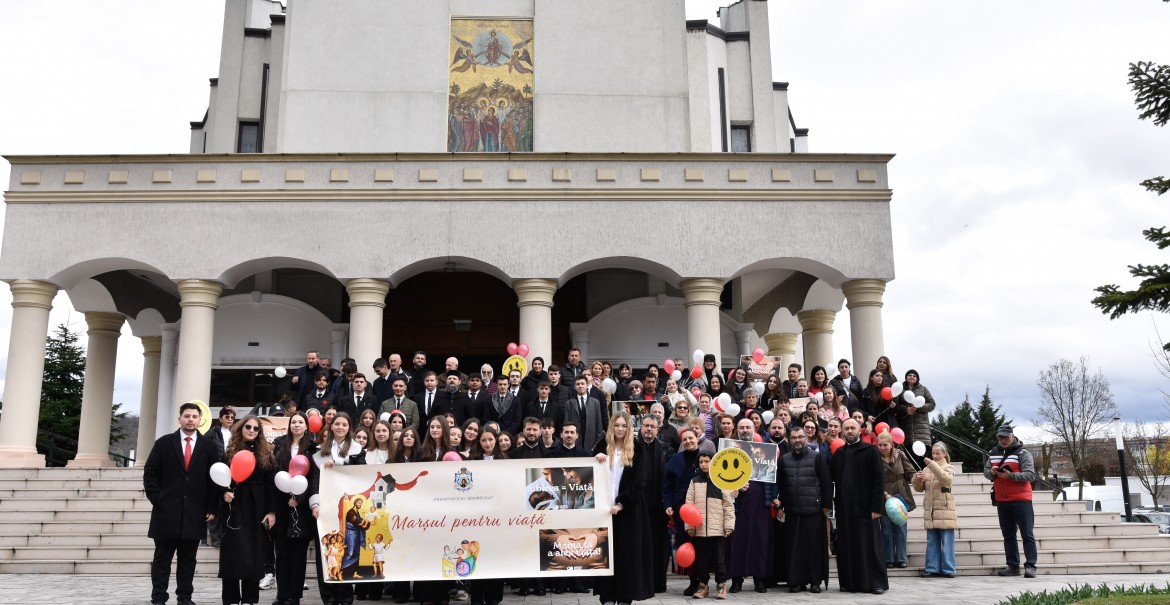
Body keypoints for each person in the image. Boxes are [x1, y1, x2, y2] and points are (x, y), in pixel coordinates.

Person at [144, 402, 219, 605]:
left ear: (200, 420)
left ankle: (184, 597)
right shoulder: (163, 443)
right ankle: (159, 597)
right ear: (179, 419)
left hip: (195, 512)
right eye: (187, 416)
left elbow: (214, 479)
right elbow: (150, 473)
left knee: (188, 560)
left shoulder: (208, 446)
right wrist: (157, 498)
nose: (190, 420)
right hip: (166, 512)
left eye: (194, 416)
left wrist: (211, 507)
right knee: (162, 558)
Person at [591, 411, 653, 605]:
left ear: (629, 428)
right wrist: (595, 460)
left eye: (624, 426)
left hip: (629, 510)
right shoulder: (601, 446)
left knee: (627, 555)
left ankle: (625, 597)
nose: (620, 429)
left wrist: (622, 503)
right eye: (616, 425)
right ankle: (607, 596)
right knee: (605, 555)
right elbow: (588, 474)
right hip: (604, 512)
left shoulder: (638, 449)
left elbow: (639, 482)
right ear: (611, 426)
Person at [218, 415, 277, 605]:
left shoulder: (266, 453)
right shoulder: (229, 452)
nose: (252, 430)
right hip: (234, 507)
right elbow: (220, 478)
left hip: (257, 507)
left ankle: (250, 599)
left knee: (254, 554)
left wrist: (271, 511)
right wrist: (224, 493)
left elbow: (271, 485)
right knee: (232, 553)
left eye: (256, 428)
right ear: (241, 428)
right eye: (248, 427)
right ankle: (231, 599)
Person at [310, 412, 366, 605]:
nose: (340, 427)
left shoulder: (358, 451)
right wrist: (315, 504)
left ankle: (345, 596)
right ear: (331, 426)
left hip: (347, 509)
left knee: (346, 550)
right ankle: (328, 597)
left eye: (344, 424)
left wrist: (340, 464)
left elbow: (361, 475)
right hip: (325, 508)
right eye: (337, 424)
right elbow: (314, 479)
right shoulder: (319, 451)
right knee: (325, 552)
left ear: (349, 428)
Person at [830, 419, 888, 595]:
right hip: (845, 509)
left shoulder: (871, 451)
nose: (849, 431)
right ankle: (849, 582)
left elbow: (879, 480)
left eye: (852, 428)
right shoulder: (839, 454)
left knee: (870, 546)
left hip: (866, 508)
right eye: (846, 428)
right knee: (848, 545)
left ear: (859, 430)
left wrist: (877, 507)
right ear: (842, 431)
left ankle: (875, 582)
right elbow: (831, 479)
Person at [776, 424, 832, 593]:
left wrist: (826, 506)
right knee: (794, 549)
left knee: (814, 549)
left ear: (806, 438)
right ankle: (796, 581)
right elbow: (782, 485)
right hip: (793, 511)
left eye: (800, 437)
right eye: (794, 438)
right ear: (789, 440)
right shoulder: (784, 459)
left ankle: (815, 582)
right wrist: (781, 505)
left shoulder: (817, 457)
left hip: (813, 510)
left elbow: (826, 483)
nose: (797, 440)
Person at [272, 411, 319, 605]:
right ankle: (281, 594)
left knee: (298, 555)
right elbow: (275, 473)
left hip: (302, 509)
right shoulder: (279, 445)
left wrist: (300, 498)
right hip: (282, 506)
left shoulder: (313, 448)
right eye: (294, 422)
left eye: (300, 422)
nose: (297, 425)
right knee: (282, 554)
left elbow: (314, 477)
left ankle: (294, 596)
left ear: (306, 426)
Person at [727, 418, 776, 594]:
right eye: (742, 427)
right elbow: (721, 477)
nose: (745, 430)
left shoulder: (765, 451)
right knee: (737, 543)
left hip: (760, 503)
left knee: (760, 541)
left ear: (754, 429)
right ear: (737, 430)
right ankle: (736, 580)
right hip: (737, 504)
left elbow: (772, 479)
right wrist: (735, 485)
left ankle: (759, 580)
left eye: (748, 427)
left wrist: (774, 498)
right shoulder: (729, 450)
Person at [985, 425, 1037, 579]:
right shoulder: (993, 453)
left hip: (1022, 500)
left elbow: (1030, 475)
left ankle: (1031, 566)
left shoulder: (1023, 453)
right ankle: (1013, 566)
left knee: (1027, 534)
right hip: (1002, 500)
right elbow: (986, 472)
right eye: (1000, 437)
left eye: (1006, 437)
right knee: (1008, 535)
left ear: (1012, 436)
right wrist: (992, 473)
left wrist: (1011, 476)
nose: (1003, 440)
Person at [684, 450, 736, 600]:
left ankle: (721, 585)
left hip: (717, 528)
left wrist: (729, 525)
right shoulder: (694, 481)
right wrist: (690, 526)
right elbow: (689, 505)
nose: (703, 464)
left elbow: (728, 505)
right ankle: (703, 585)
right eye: (701, 462)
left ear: (713, 462)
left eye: (706, 461)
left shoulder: (721, 480)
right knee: (702, 559)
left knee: (719, 559)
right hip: (700, 529)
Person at [663, 427, 703, 595]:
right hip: (681, 507)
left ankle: (703, 581)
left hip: (702, 506)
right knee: (685, 541)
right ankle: (693, 581)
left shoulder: (706, 458)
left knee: (702, 543)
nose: (688, 441)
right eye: (684, 439)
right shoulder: (674, 459)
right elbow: (667, 486)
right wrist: (668, 504)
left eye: (691, 438)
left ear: (697, 438)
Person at [914, 442, 958, 578]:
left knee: (947, 541)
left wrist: (932, 465)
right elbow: (919, 489)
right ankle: (932, 568)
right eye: (933, 453)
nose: (935, 455)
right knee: (932, 541)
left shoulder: (949, 467)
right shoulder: (927, 469)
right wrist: (917, 479)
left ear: (944, 454)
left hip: (945, 508)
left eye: (938, 453)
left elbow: (946, 479)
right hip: (931, 510)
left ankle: (948, 569)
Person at [637, 414, 669, 593]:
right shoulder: (632, 448)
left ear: (658, 429)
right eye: (646, 426)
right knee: (638, 545)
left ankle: (657, 583)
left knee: (658, 546)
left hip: (658, 507)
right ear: (641, 427)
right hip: (637, 505)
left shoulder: (665, 449)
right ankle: (639, 582)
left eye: (652, 427)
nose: (649, 429)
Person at [877, 431, 916, 569]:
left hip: (901, 494)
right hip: (884, 494)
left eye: (885, 445)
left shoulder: (900, 454)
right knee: (886, 528)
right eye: (880, 445)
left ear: (891, 444)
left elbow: (910, 471)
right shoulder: (875, 457)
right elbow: (874, 478)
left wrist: (917, 479)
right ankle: (889, 558)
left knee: (901, 527)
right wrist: (884, 494)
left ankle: (901, 558)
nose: (882, 448)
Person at [897, 369, 936, 465]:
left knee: (924, 462)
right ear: (906, 377)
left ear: (917, 378)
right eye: (909, 375)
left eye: (914, 376)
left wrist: (918, 407)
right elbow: (896, 405)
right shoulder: (900, 389)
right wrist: (906, 409)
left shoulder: (923, 389)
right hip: (906, 429)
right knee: (910, 461)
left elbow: (932, 404)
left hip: (922, 431)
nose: (912, 377)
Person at [564, 375, 604, 451]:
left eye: (582, 383)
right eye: (578, 384)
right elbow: (566, 425)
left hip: (591, 443)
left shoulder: (595, 403)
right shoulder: (569, 403)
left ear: (587, 385)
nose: (580, 386)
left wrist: (597, 443)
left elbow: (599, 424)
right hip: (574, 443)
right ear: (575, 387)